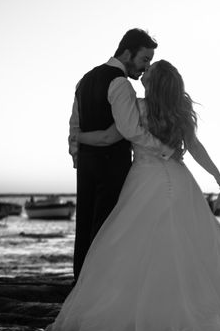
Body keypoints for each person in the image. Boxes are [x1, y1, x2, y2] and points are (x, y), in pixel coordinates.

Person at [48, 60, 220, 331]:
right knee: (188, 247)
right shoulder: (179, 112)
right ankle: (195, 313)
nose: (143, 74)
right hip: (179, 181)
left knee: (135, 247)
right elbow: (195, 147)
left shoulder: (138, 108)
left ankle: (151, 317)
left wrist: (77, 138)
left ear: (152, 83)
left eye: (148, 73)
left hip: (144, 178)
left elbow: (109, 137)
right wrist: (218, 177)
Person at [68, 29, 173, 282]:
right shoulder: (121, 84)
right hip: (112, 168)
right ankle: (99, 291)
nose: (145, 66)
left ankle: (79, 288)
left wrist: (76, 153)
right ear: (128, 52)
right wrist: (165, 149)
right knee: (107, 231)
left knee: (84, 228)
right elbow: (130, 131)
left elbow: (75, 123)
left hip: (87, 165)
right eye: (144, 59)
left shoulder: (84, 80)